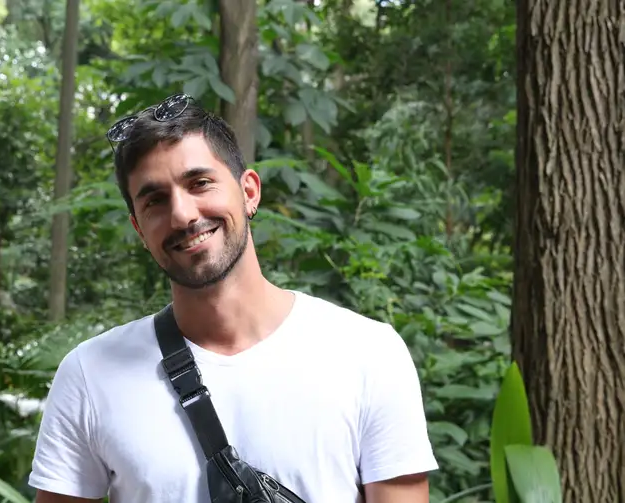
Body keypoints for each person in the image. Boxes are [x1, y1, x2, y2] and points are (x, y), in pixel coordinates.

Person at [28, 94, 438, 503]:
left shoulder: (368, 353)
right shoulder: (89, 375)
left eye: (199, 183)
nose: (183, 215)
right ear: (139, 229)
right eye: (155, 200)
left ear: (249, 192)